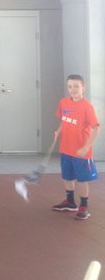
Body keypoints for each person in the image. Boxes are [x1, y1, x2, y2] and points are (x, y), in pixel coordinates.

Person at [52, 74, 100, 220]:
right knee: (67, 177)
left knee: (82, 179)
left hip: (81, 152)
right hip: (66, 148)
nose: (73, 89)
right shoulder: (64, 102)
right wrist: (58, 131)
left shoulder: (87, 106)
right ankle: (70, 202)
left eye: (76, 86)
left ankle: (84, 206)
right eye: (70, 86)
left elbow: (96, 128)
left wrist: (87, 147)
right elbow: (64, 119)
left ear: (83, 87)